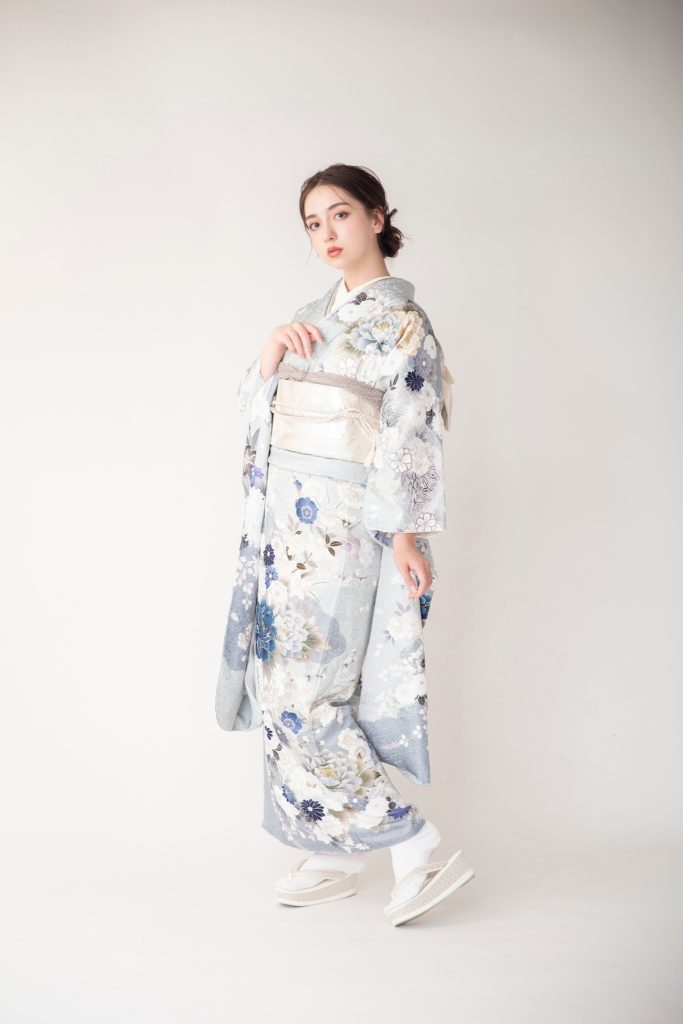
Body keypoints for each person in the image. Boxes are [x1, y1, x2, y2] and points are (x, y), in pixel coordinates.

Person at [216, 163, 474, 925]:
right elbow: (254, 412)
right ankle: (333, 849)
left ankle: (418, 847)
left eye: (339, 214)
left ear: (376, 217)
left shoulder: (404, 325)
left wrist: (406, 536)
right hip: (286, 528)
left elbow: (410, 434)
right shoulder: (308, 318)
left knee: (310, 691)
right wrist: (270, 355)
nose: (325, 233)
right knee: (284, 684)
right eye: (312, 223)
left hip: (345, 530)